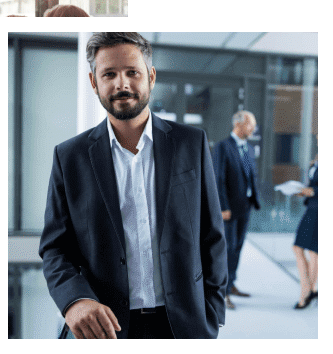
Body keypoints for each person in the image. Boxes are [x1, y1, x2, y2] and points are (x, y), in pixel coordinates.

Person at [39, 32, 227, 339]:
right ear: (93, 82)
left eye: (132, 73)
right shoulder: (69, 156)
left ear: (151, 77)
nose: (121, 84)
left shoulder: (191, 143)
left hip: (183, 325)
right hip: (105, 328)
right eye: (109, 74)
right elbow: (55, 248)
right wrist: (74, 301)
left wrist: (213, 313)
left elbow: (212, 233)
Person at [213, 110, 261, 310]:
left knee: (238, 247)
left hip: (245, 207)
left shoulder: (249, 149)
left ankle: (231, 284)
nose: (253, 129)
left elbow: (251, 176)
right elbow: (218, 178)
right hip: (229, 209)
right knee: (227, 249)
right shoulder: (222, 147)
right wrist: (223, 207)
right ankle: (221, 293)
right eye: (251, 125)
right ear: (240, 124)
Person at [292, 150, 318, 309]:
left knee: (312, 251)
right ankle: (311, 289)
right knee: (304, 249)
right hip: (312, 207)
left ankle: (306, 292)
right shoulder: (318, 156)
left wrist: (313, 192)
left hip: (320, 209)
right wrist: (304, 191)